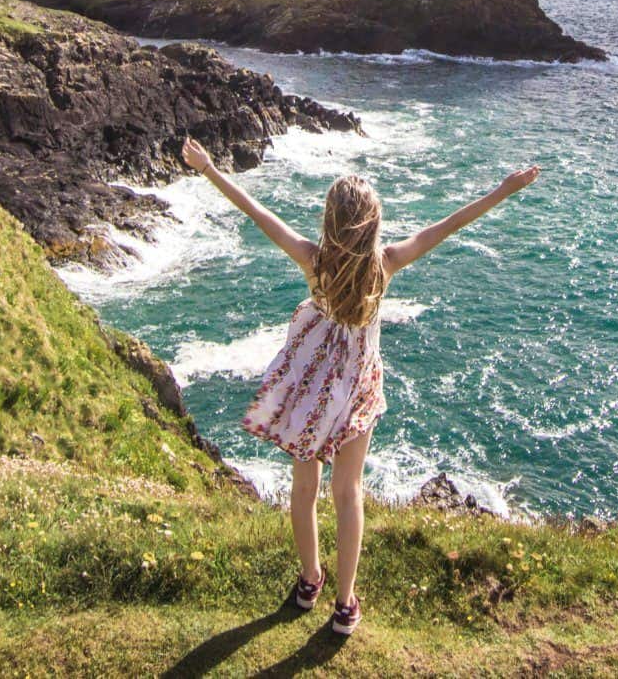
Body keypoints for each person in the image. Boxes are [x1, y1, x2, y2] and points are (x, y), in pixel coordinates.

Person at [181, 135, 540, 636]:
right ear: (373, 225)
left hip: (311, 386)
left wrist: (208, 168)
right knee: (348, 493)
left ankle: (310, 580)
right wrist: (503, 190)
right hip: (356, 391)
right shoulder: (384, 265)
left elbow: (258, 213)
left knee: (304, 488)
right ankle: (344, 604)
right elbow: (447, 225)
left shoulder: (313, 261)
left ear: (329, 221)